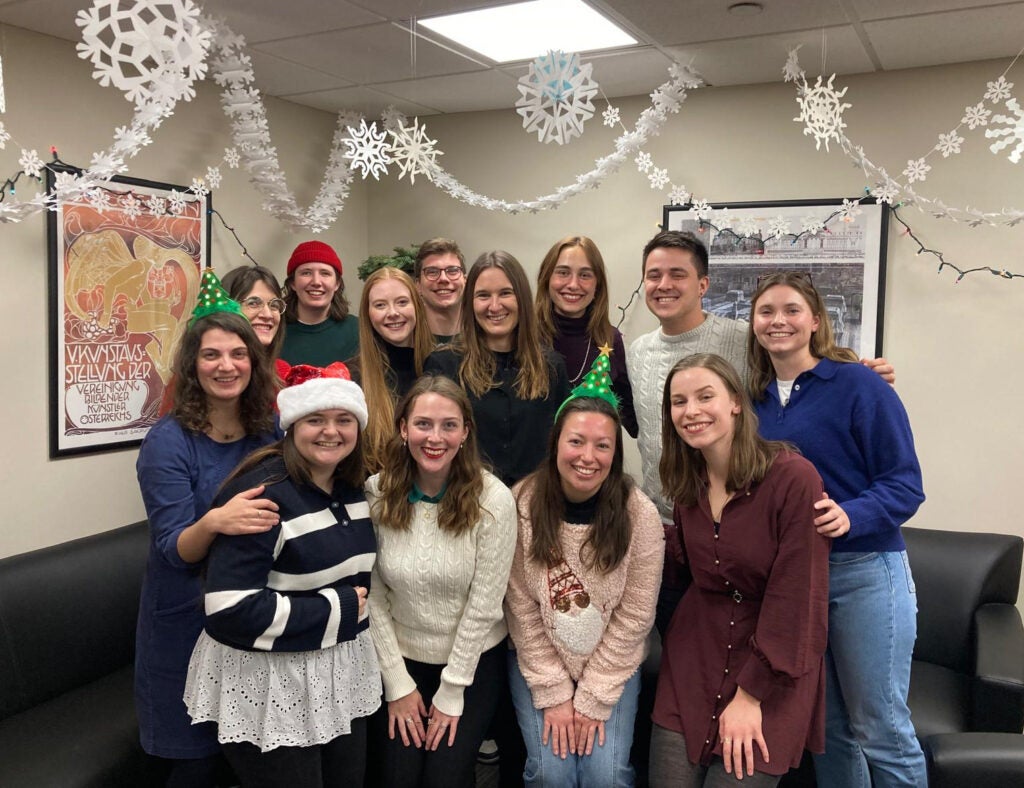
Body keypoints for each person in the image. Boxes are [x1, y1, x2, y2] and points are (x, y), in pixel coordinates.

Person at [626, 230, 895, 635]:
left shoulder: (743, 339)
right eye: (654, 275)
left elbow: (800, 368)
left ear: (703, 284)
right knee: (682, 655)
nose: (664, 285)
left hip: (736, 530)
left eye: (677, 274)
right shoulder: (636, 351)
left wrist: (859, 372)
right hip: (665, 530)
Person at [748, 272, 927, 787]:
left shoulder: (859, 384)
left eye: (791, 310)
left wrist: (853, 514)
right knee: (828, 730)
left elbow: (905, 484)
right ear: (753, 323)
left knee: (881, 728)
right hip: (797, 581)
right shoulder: (752, 400)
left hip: (866, 571)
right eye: (766, 311)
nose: (778, 320)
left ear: (816, 321)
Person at [183, 361, 380, 787]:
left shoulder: (354, 488)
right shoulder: (264, 496)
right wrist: (339, 608)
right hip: (270, 683)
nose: (331, 431)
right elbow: (228, 608)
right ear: (292, 425)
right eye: (315, 420)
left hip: (336, 673)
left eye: (344, 420)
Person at [650, 353, 830, 787]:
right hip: (693, 660)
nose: (691, 411)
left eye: (704, 396)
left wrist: (751, 695)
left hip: (771, 670)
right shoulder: (687, 486)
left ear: (735, 401)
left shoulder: (793, 480)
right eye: (678, 402)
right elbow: (686, 562)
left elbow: (797, 598)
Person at [135, 272, 280, 786]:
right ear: (193, 366)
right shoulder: (167, 443)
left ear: (253, 362)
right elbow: (176, 549)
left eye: (238, 354)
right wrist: (216, 521)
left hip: (251, 619)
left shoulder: (270, 430)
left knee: (247, 757)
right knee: (196, 762)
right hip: (185, 622)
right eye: (212, 355)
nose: (227, 366)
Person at [504, 353, 662, 788]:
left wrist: (593, 696)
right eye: (576, 441)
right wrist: (554, 693)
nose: (587, 457)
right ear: (556, 441)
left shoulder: (639, 514)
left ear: (615, 451)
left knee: (605, 775)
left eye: (603, 445)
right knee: (552, 774)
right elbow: (520, 605)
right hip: (539, 661)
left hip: (612, 665)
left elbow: (635, 617)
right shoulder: (523, 504)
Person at [365, 375, 517, 788]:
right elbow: (373, 596)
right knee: (397, 776)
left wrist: (451, 692)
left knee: (443, 778)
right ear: (403, 428)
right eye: (423, 424)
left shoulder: (494, 500)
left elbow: (485, 605)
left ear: (466, 433)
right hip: (400, 659)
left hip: (470, 666)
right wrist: (397, 684)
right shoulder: (376, 494)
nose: (435, 437)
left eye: (449, 425)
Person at [425, 250, 570, 486]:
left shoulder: (551, 367)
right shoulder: (444, 365)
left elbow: (562, 444)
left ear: (521, 298)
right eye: (483, 295)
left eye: (505, 293)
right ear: (470, 302)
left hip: (536, 503)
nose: (494, 306)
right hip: (468, 503)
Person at [535, 235, 638, 437]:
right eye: (563, 273)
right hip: (533, 465)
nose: (573, 284)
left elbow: (635, 422)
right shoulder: (523, 336)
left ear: (597, 284)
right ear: (546, 279)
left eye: (585, 275)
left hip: (590, 463)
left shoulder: (610, 340)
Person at [350, 266, 435, 474]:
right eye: (380, 305)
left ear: (417, 306)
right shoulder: (352, 377)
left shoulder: (443, 365)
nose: (393, 313)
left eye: (402, 302)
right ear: (368, 314)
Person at [279, 240, 359, 366]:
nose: (316, 281)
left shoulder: (357, 330)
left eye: (325, 273)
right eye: (306, 273)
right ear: (293, 283)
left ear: (337, 283)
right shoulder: (275, 330)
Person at [222, 265, 286, 360]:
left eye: (274, 305)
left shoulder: (284, 372)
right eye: (253, 303)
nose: (268, 315)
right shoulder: (209, 370)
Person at [414, 237, 466, 343]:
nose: (443, 279)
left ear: (465, 281)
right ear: (418, 285)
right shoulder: (407, 341)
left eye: (452, 271)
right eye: (432, 272)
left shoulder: (485, 339)